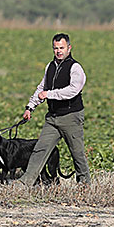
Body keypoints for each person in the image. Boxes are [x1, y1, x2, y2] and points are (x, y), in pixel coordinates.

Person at [19, 33, 91, 185]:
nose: (59, 51)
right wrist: (30, 107)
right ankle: (25, 182)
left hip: (71, 117)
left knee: (77, 153)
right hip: (52, 118)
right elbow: (42, 87)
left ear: (69, 48)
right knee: (40, 149)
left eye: (62, 48)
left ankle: (84, 184)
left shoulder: (75, 67)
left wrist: (49, 94)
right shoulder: (50, 66)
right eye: (56, 48)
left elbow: (73, 90)